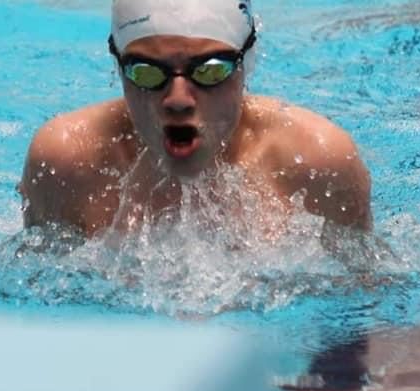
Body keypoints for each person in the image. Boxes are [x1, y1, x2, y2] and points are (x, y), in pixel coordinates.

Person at [19, 0, 373, 242]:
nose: (177, 100)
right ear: (119, 67)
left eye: (210, 70)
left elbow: (362, 306)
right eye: (146, 72)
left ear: (246, 63)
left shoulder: (317, 162)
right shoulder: (67, 162)